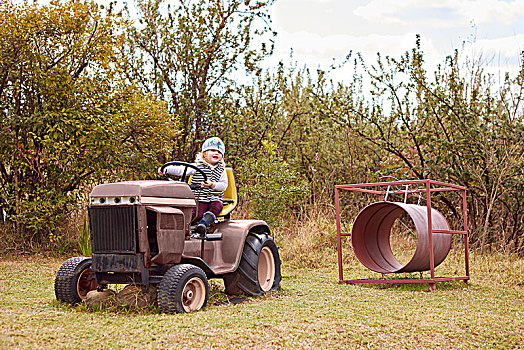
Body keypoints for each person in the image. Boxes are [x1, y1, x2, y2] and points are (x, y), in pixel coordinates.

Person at [159, 137, 228, 236]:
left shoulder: (222, 170)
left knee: (217, 206)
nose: (216, 153)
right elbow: (181, 170)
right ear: (204, 153)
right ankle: (183, 229)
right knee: (196, 213)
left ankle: (203, 224)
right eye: (213, 150)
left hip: (214, 198)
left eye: (219, 152)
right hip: (200, 198)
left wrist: (212, 184)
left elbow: (224, 185)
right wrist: (167, 169)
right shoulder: (197, 166)